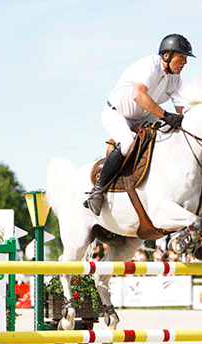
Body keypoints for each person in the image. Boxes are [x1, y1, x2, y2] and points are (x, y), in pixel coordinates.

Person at [84, 34, 195, 215]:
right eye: (181, 57)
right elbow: (138, 95)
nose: (185, 62)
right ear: (166, 55)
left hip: (143, 117)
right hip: (117, 113)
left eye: (186, 58)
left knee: (171, 133)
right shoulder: (149, 65)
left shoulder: (175, 79)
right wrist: (166, 115)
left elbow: (183, 109)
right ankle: (97, 190)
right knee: (128, 143)